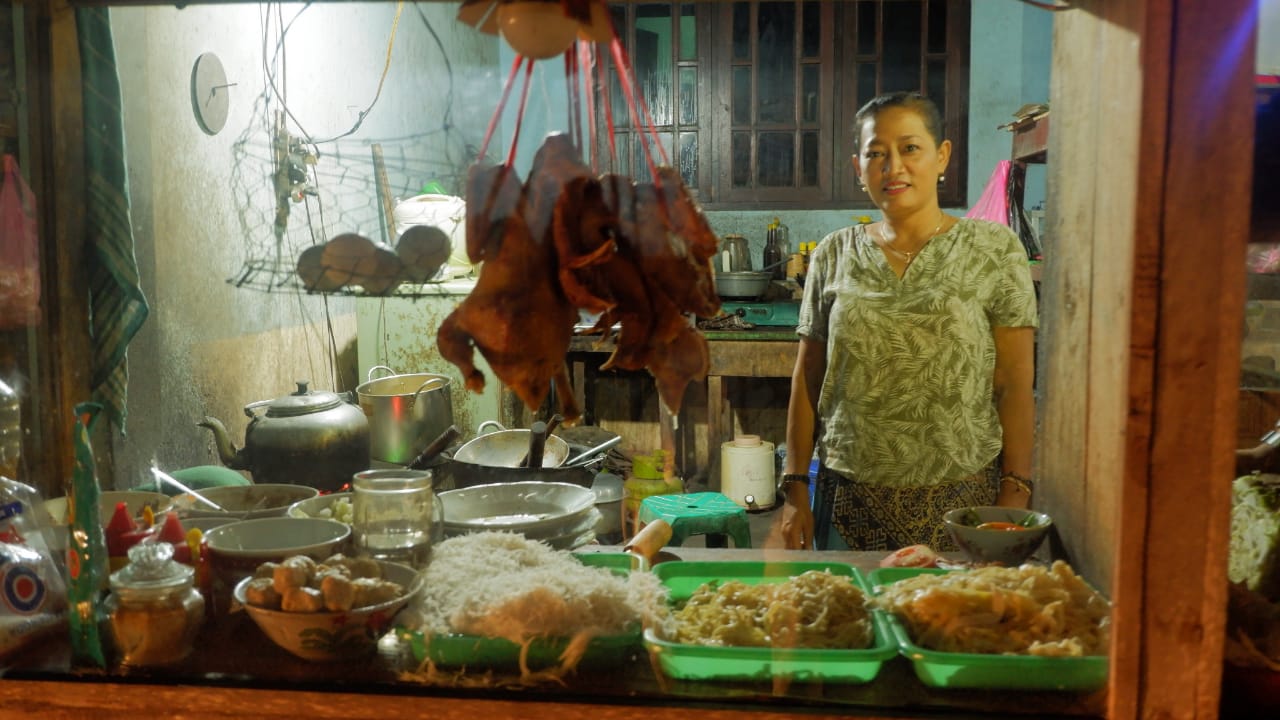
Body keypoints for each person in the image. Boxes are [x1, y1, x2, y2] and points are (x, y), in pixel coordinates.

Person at [773, 91, 1039, 551]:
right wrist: (795, 486)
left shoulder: (994, 249)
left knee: (956, 601)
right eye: (876, 153)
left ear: (942, 156)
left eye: (910, 148)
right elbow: (808, 377)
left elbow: (1014, 381)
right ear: (858, 168)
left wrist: (1015, 489)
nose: (892, 167)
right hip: (849, 501)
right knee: (847, 600)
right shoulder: (834, 253)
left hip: (964, 502)